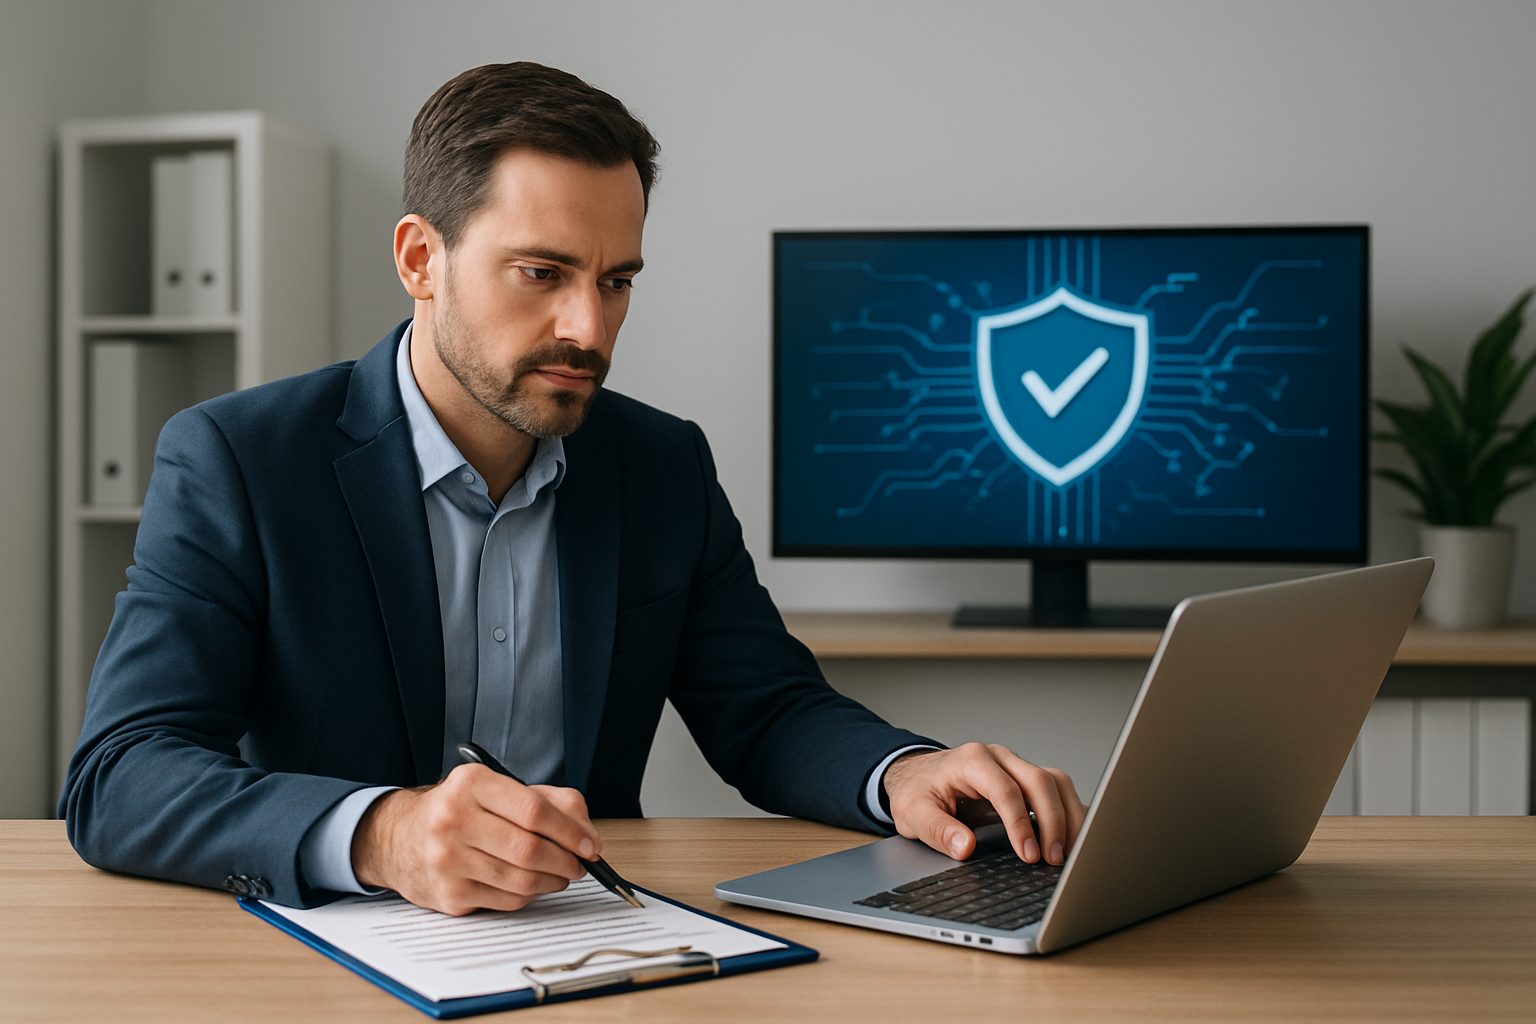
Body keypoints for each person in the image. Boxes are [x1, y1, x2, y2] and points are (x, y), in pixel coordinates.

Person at [60, 62, 1086, 915]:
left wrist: (901, 774)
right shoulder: (238, 459)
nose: (590, 330)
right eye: (542, 274)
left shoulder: (660, 464)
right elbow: (119, 776)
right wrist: (381, 834)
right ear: (422, 258)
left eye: (617, 279)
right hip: (326, 949)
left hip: (592, 935)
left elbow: (766, 711)